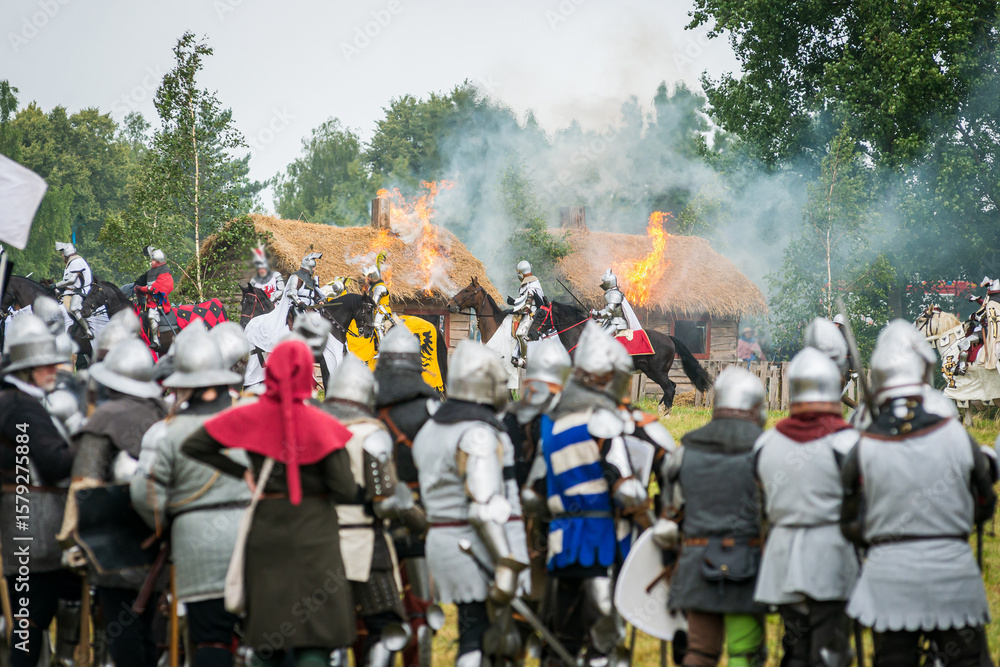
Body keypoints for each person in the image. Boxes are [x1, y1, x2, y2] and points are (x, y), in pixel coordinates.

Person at [181, 339, 359, 667]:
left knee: (269, 633)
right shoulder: (324, 425)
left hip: (266, 532)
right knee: (315, 635)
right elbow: (346, 490)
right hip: (315, 534)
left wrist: (242, 471)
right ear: (307, 373)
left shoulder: (250, 415)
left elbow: (195, 445)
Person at [841, 320, 996, 667]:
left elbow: (850, 520)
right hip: (952, 573)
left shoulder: (863, 444)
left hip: (888, 577)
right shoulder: (956, 436)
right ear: (924, 369)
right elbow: (984, 503)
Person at [131, 323, 248, 667]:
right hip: (250, 537)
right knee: (255, 635)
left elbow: (145, 493)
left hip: (196, 542)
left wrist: (167, 522)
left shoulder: (166, 433)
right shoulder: (250, 420)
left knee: (211, 639)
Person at [411, 340, 529, 666]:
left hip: (446, 541)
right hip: (477, 546)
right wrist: (505, 563)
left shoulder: (433, 427)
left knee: (475, 632)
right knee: (481, 636)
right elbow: (483, 506)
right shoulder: (478, 434)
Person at [539, 323, 647, 665]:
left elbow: (536, 489)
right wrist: (651, 523)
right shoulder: (603, 420)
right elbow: (627, 491)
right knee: (605, 637)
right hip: (600, 541)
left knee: (564, 633)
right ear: (606, 377)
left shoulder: (553, 421)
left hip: (562, 538)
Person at [57, 337, 166, 667]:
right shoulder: (163, 414)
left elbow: (84, 482)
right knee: (150, 631)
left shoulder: (104, 418)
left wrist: (70, 538)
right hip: (159, 537)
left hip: (112, 543)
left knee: (122, 633)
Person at [754, 348, 859, 667]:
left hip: (782, 554)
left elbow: (759, 510)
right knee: (830, 650)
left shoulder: (765, 444)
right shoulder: (848, 443)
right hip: (831, 556)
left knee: (795, 648)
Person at [320, 354, 425, 667]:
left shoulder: (316, 425)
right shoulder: (372, 432)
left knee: (329, 629)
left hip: (320, 539)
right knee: (385, 625)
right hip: (366, 541)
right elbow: (385, 500)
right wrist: (418, 520)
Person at [660, 366, 768, 667]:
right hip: (747, 563)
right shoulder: (765, 448)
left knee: (700, 651)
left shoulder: (685, 450)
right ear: (755, 406)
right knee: (744, 653)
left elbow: (670, 516)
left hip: (697, 560)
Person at [0, 314, 79, 667]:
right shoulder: (23, 407)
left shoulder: (12, 401)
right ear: (26, 370)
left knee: (30, 620)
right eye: (43, 365)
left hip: (22, 521)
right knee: (30, 623)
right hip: (34, 524)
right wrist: (87, 441)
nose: (53, 369)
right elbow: (54, 462)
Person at [372, 325, 440, 667]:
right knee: (419, 605)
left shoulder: (367, 403)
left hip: (376, 515)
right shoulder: (430, 406)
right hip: (419, 514)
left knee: (379, 609)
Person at [134, 246, 174, 351]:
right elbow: (144, 282)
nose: (151, 262)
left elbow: (155, 289)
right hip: (147, 301)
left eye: (152, 260)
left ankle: (155, 341)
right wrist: (136, 286)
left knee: (152, 315)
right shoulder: (151, 272)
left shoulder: (165, 272)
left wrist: (141, 289)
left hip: (159, 301)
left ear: (158, 261)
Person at [507, 260, 544, 368]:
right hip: (527, 313)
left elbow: (527, 307)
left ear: (521, 273)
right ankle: (515, 354)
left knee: (520, 333)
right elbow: (523, 300)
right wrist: (514, 302)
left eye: (518, 273)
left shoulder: (532, 285)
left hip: (533, 314)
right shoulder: (526, 284)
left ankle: (525, 359)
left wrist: (512, 309)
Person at [54, 241, 94, 339]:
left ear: (67, 252)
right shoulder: (71, 262)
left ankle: (88, 330)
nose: (62, 255)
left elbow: (71, 280)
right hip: (72, 291)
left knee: (74, 309)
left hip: (81, 291)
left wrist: (55, 285)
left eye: (63, 253)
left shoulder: (76, 262)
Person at [363, 252, 392, 342]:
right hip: (376, 311)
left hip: (381, 310)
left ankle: (382, 349)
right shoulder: (373, 287)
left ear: (373, 276)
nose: (367, 279)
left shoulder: (379, 287)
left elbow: (373, 303)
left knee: (376, 325)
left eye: (368, 277)